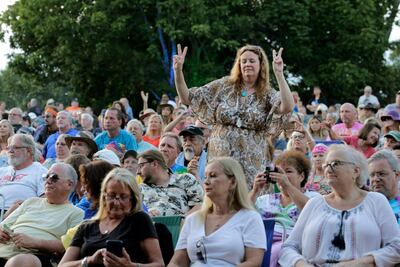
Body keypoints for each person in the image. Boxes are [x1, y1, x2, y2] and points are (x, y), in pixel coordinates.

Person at [173, 44, 294, 188]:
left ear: (261, 65)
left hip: (251, 161)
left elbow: (287, 107)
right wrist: (178, 71)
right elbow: (188, 98)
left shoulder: (267, 93)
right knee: (220, 196)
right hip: (220, 155)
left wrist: (279, 74)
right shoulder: (225, 85)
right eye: (243, 61)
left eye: (251, 61)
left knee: (247, 200)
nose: (247, 64)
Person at [279, 145, 400, 266]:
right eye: (326, 165)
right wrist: (301, 264)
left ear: (356, 171)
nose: (328, 169)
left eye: (336, 163)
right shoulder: (314, 203)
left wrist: (358, 263)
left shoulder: (376, 201)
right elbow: (288, 247)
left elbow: (396, 247)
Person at [168, 157, 266, 266]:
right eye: (205, 177)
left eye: (213, 176)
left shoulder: (250, 218)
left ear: (233, 182)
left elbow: (254, 262)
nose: (206, 182)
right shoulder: (193, 219)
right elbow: (177, 262)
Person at [59, 168, 164, 267]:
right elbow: (63, 265)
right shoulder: (87, 226)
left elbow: (159, 264)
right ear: (104, 196)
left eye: (123, 197)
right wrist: (89, 260)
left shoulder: (139, 220)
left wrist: (130, 266)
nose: (116, 202)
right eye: (112, 196)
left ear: (132, 198)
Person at [0, 163, 83, 267]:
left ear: (69, 184)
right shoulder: (31, 202)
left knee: (22, 261)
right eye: (46, 177)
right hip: (5, 249)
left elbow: (68, 246)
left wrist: (34, 242)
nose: (48, 181)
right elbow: (3, 226)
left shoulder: (76, 213)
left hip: (35, 256)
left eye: (54, 177)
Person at [249, 151, 317, 267]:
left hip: (293, 244)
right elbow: (241, 215)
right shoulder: (263, 199)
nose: (282, 176)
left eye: (288, 171)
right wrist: (255, 191)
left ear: (301, 176)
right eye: (279, 172)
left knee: (277, 250)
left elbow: (312, 211)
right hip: (261, 242)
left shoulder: (313, 198)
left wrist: (287, 185)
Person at [137, 150, 203, 217]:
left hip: (183, 225)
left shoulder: (186, 179)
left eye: (141, 166)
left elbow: (200, 205)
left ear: (154, 164)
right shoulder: (139, 190)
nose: (138, 172)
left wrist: (182, 221)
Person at [0, 134, 48, 211]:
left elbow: (46, 198)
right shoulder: (2, 171)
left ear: (29, 151)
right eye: (8, 148)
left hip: (22, 214)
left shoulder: (39, 170)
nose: (10, 151)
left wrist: (25, 206)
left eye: (15, 147)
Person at [368, 149, 400, 225]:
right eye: (372, 175)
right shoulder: (364, 206)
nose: (375, 179)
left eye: (381, 174)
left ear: (397, 175)